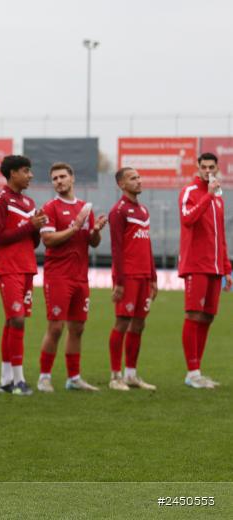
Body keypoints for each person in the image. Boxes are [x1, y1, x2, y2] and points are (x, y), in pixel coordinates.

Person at [37, 162, 107, 392]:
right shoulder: (50, 207)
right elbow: (48, 240)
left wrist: (95, 231)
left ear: (72, 178)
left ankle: (73, 378)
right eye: (54, 178)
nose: (58, 181)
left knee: (77, 328)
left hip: (80, 277)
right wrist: (75, 228)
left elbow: (92, 243)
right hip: (58, 276)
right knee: (56, 327)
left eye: (62, 177)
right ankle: (44, 377)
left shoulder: (84, 208)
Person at [0, 155, 46, 395]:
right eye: (25, 170)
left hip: (27, 267)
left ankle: (6, 380)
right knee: (18, 319)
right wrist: (29, 226)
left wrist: (37, 227)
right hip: (9, 267)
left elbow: (31, 242)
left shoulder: (29, 202)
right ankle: (19, 380)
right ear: (12, 173)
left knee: (13, 320)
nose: (30, 175)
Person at [178, 152, 231, 388]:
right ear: (197, 167)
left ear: (218, 168)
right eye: (204, 167)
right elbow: (187, 219)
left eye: (212, 167)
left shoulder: (219, 197)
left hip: (215, 266)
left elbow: (221, 235)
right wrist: (207, 197)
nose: (208, 171)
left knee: (208, 317)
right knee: (193, 315)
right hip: (196, 264)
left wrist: (227, 268)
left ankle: (197, 370)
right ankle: (192, 372)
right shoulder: (191, 191)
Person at [107, 167, 157, 391]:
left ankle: (131, 375)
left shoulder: (144, 210)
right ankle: (115, 376)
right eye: (133, 178)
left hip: (144, 276)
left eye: (139, 177)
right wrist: (118, 281)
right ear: (121, 185)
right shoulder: (118, 211)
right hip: (127, 277)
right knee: (122, 323)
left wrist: (153, 277)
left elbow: (147, 245)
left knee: (139, 324)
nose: (138, 181)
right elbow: (116, 248)